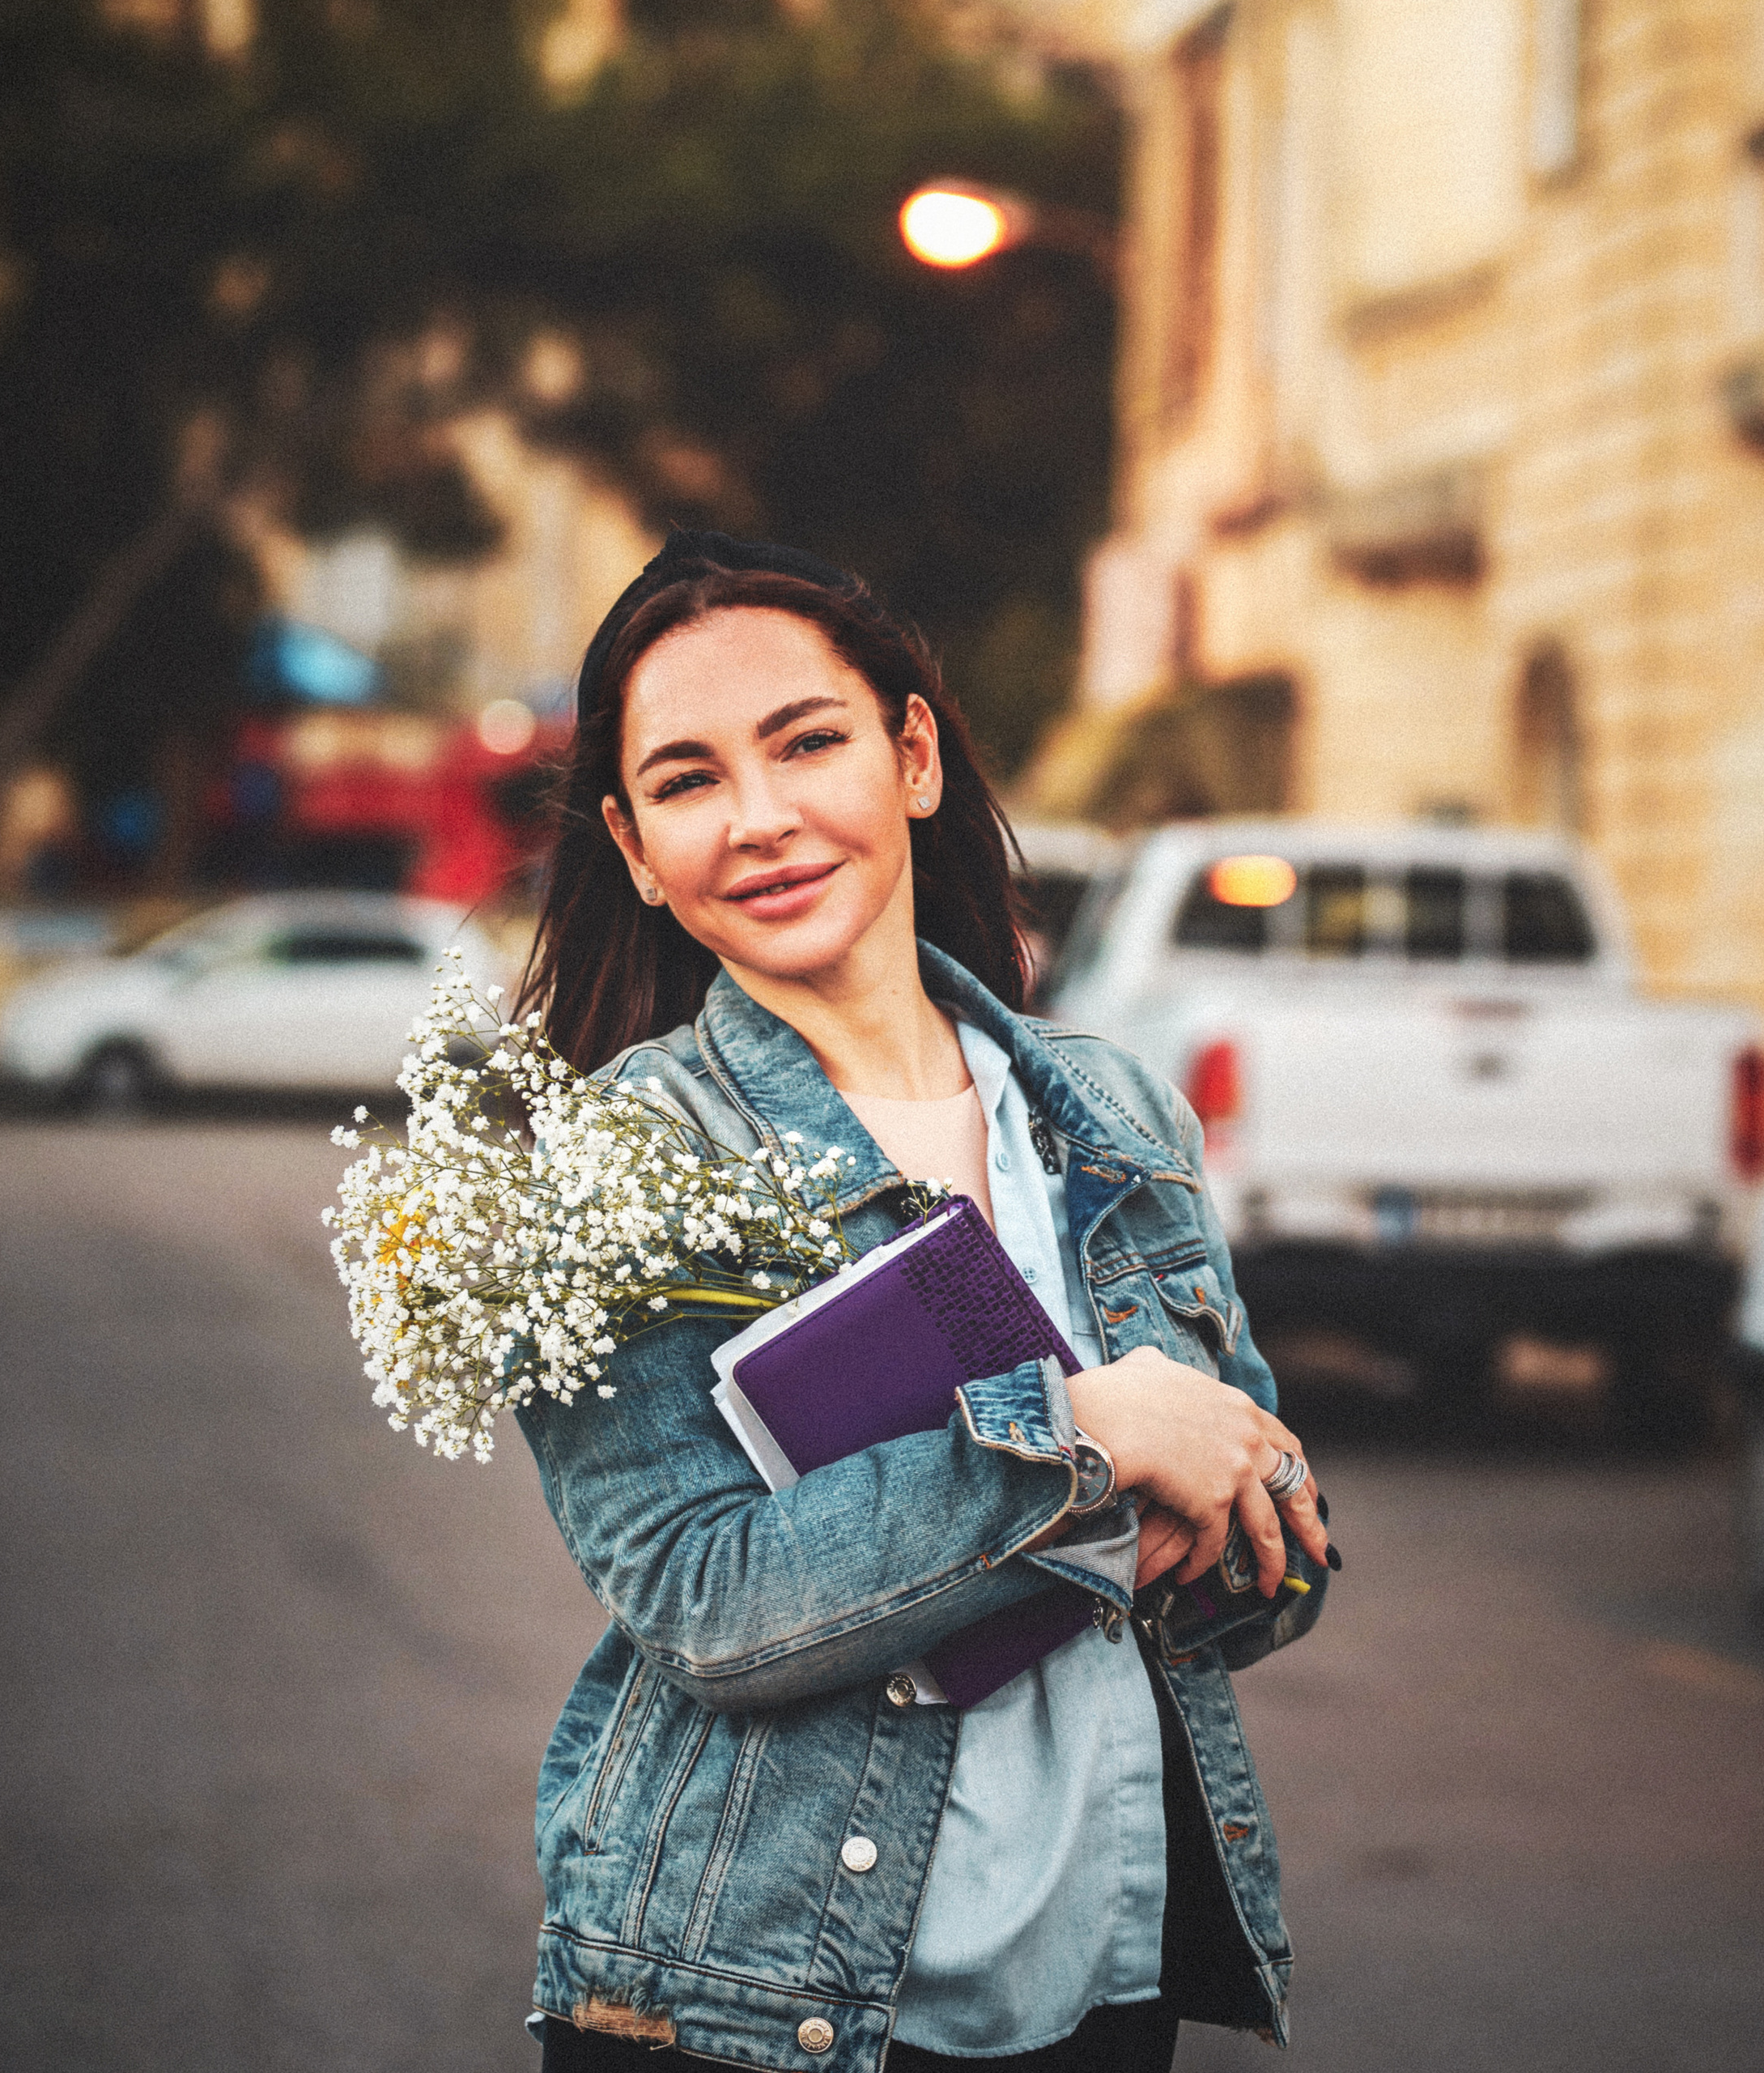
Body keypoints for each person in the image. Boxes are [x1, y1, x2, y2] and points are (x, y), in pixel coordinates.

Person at [515, 532, 1334, 2073]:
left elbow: (1267, 1551)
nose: (760, 820)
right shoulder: (619, 1162)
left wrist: (1251, 1503)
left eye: (807, 743)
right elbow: (708, 1606)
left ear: (913, 757)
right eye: (688, 783)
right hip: (752, 1997)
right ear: (633, 847)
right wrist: (1090, 1439)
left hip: (1103, 1978)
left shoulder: (1115, 1111)